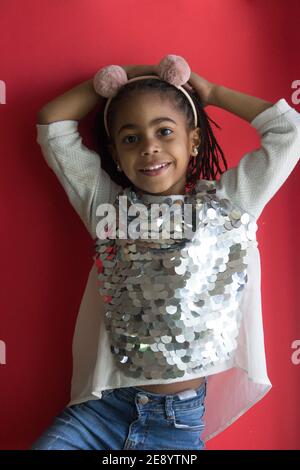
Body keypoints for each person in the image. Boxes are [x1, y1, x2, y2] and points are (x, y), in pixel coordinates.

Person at [30, 55, 300, 450]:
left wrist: (212, 93)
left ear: (193, 140)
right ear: (116, 154)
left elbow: (288, 133)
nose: (150, 148)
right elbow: (53, 124)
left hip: (175, 425)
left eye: (164, 131)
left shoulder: (229, 206)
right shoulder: (107, 209)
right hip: (104, 411)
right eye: (131, 138)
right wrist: (113, 82)